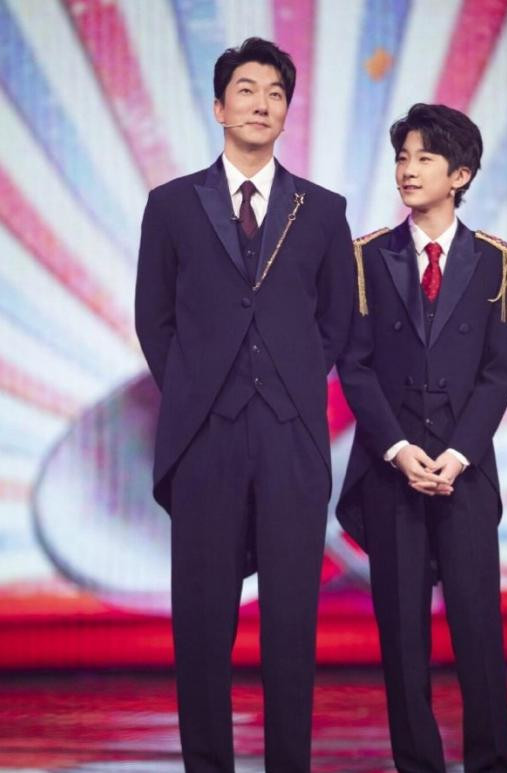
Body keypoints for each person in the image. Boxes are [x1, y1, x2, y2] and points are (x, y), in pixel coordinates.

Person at [135, 37, 354, 773]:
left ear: (286, 112)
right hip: (205, 439)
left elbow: (336, 320)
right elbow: (153, 318)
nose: (262, 104)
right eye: (248, 90)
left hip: (292, 438)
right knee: (202, 623)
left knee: (292, 622)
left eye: (276, 94)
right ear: (219, 106)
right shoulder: (171, 206)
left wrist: (295, 382)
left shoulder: (322, 211)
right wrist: (196, 391)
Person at [337, 103, 507, 772]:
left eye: (424, 158)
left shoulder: (497, 262)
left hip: (463, 471)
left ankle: (491, 763)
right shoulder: (367, 258)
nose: (408, 170)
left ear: (460, 174)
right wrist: (396, 448)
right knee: (402, 639)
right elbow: (354, 365)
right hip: (393, 470)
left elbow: (500, 372)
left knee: (478, 632)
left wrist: (459, 453)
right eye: (402, 158)